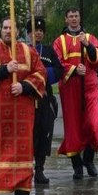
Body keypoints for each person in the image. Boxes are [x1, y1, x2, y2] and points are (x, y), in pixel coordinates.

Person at [0, 18, 46, 195]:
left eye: (11, 28)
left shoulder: (28, 51)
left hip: (22, 114)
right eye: (5, 28)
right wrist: (5, 69)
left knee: (23, 152)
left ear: (17, 32)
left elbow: (40, 74)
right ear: (1, 30)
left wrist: (24, 86)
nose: (8, 31)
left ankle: (22, 194)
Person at [53, 8, 98, 179]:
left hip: (89, 85)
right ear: (66, 19)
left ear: (80, 18)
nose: (74, 19)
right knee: (73, 127)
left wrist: (87, 45)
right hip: (70, 87)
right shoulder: (59, 41)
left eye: (76, 16)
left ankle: (89, 159)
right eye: (71, 16)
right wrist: (75, 69)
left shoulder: (89, 37)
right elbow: (58, 63)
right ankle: (77, 166)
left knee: (93, 123)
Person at [27, 18, 64, 184]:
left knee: (44, 133)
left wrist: (42, 73)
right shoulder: (23, 50)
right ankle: (26, 169)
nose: (38, 33)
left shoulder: (49, 51)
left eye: (41, 30)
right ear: (29, 33)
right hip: (28, 98)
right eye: (35, 30)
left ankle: (40, 169)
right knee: (29, 135)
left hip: (45, 97)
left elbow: (58, 70)